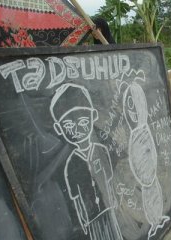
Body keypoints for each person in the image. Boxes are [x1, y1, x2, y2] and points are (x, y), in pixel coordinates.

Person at [50, 83, 123, 240]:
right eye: (68, 126)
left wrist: (114, 200)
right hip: (92, 218)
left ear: (93, 117)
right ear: (58, 128)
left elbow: (110, 180)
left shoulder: (101, 150)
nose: (77, 130)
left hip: (109, 208)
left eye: (83, 122)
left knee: (115, 234)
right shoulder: (71, 164)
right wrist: (83, 221)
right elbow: (76, 199)